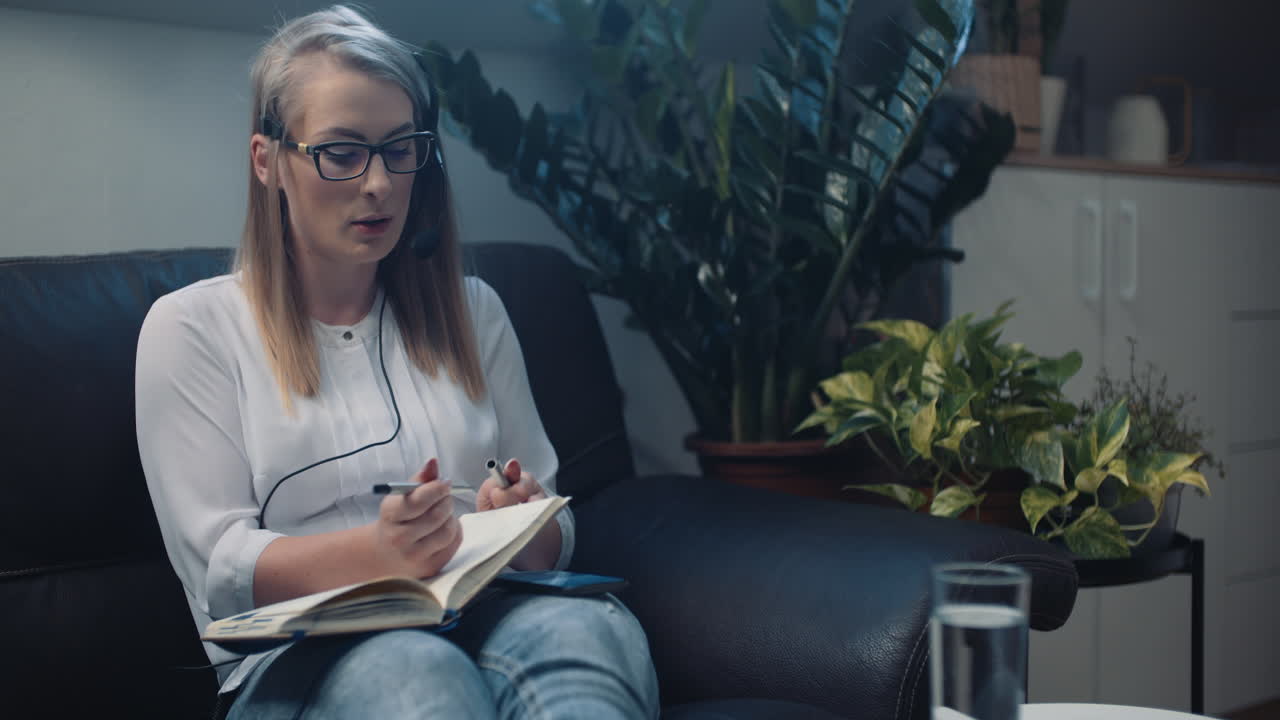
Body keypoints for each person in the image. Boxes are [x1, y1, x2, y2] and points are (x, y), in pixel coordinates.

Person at [134, 5, 659, 718]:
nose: (378, 183)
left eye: (400, 148)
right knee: (417, 672)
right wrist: (380, 553)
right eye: (342, 152)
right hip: (302, 658)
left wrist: (521, 520)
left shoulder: (475, 312)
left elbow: (557, 532)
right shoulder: (193, 329)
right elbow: (220, 572)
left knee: (587, 629)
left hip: (490, 610)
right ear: (268, 162)